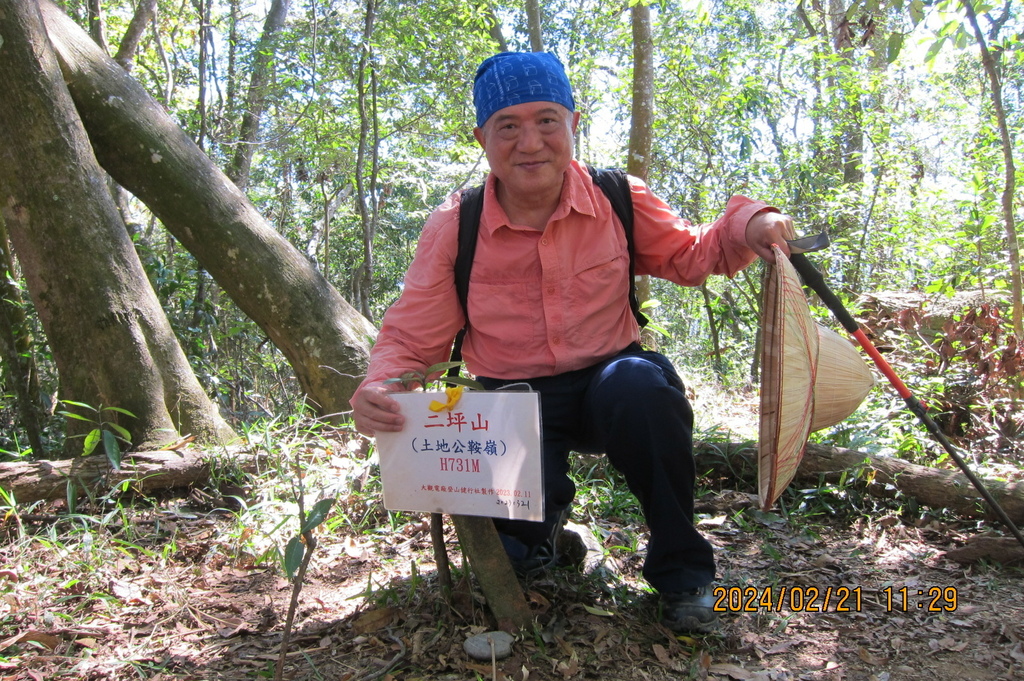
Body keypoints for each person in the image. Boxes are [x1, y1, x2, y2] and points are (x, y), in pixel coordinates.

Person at [350, 51, 794, 633]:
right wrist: (381, 387)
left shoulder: (616, 197)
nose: (529, 142)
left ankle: (685, 576)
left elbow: (690, 253)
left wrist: (750, 223)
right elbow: (414, 333)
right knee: (511, 556)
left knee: (641, 387)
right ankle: (539, 528)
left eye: (546, 121)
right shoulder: (456, 224)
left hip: (611, 380)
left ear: (573, 125)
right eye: (508, 125)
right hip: (512, 400)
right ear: (481, 136)